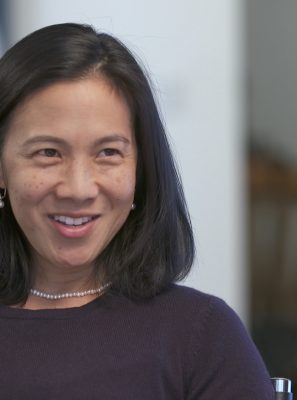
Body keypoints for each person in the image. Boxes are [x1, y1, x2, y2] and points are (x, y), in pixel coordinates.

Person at [0, 23, 274, 399]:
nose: (78, 188)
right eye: (48, 153)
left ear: (140, 170)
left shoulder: (202, 337)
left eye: (108, 153)